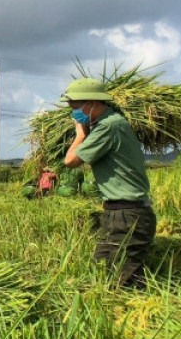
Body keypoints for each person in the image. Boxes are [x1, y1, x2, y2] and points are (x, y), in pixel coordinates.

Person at [62, 77, 155, 289]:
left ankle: (136, 317)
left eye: (76, 107)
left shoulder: (109, 126)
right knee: (104, 272)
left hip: (127, 215)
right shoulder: (110, 124)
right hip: (120, 213)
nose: (74, 113)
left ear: (93, 103)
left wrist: (80, 133)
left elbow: (71, 160)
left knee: (123, 282)